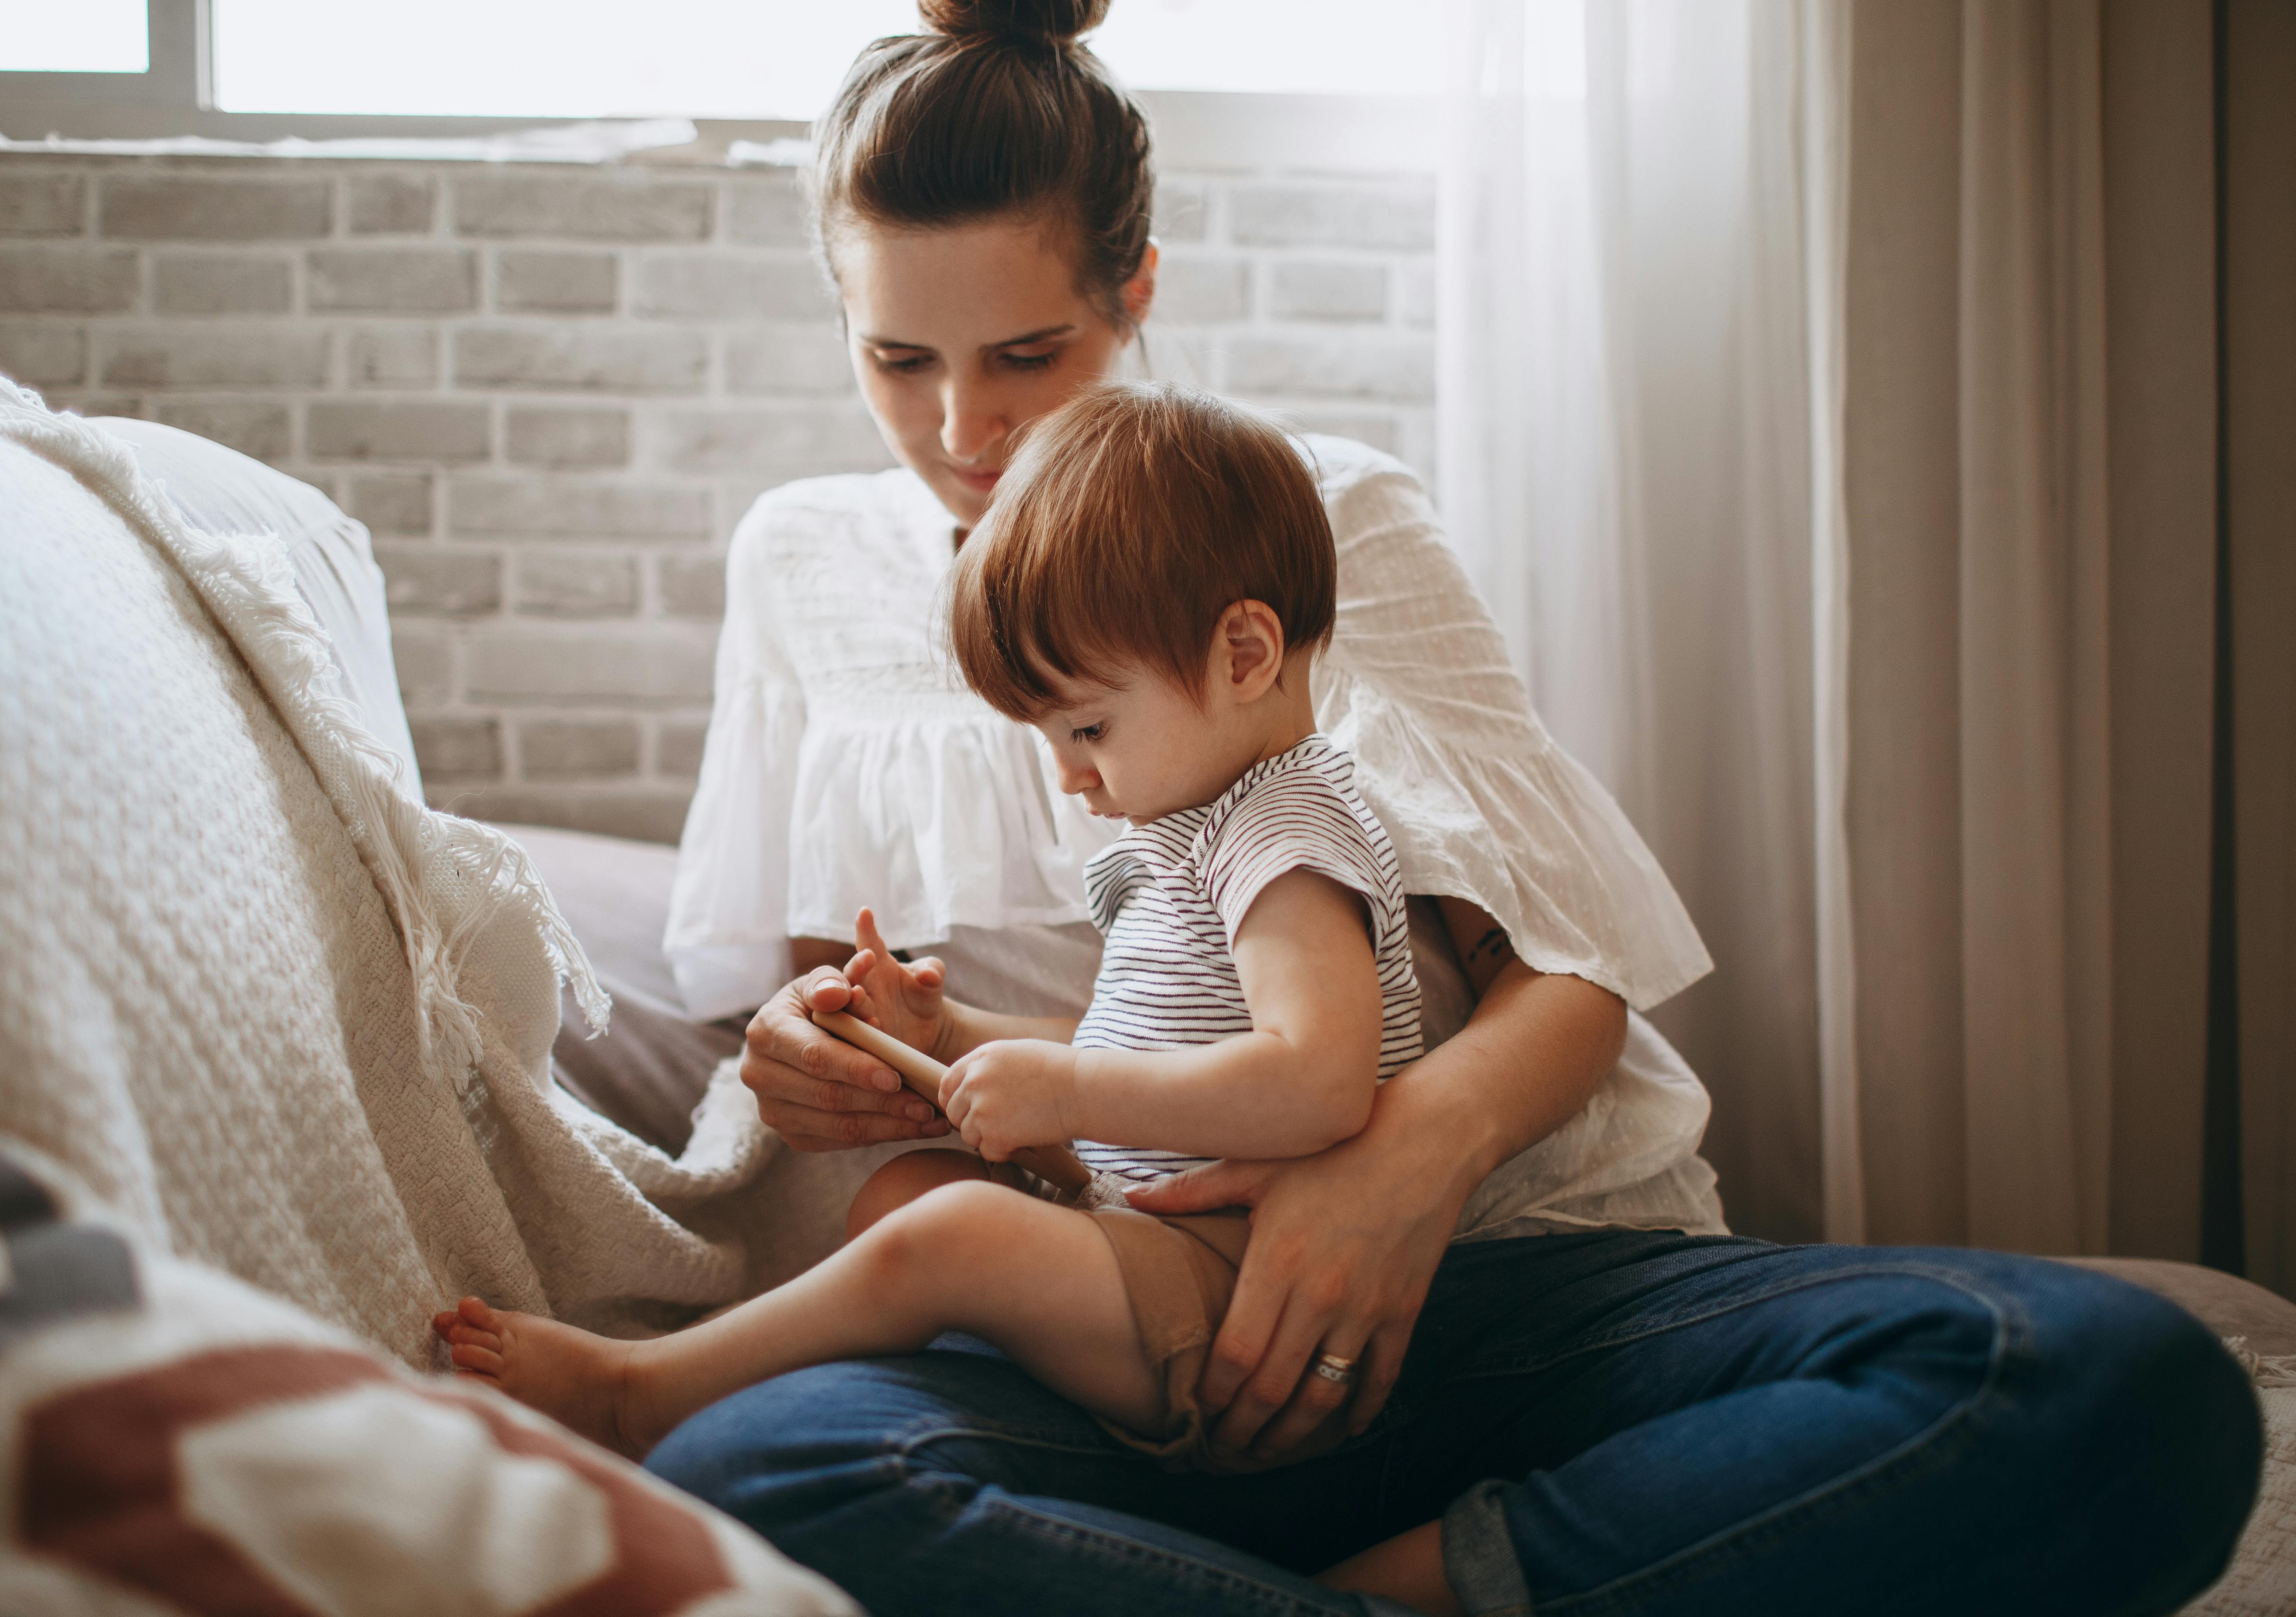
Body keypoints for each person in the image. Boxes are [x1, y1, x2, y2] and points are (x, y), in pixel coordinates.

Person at [647, 3, 2263, 1613]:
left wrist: (1389, 1164)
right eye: (898, 361)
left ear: (1135, 293)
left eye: (1026, 357)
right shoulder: (802, 563)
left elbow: (1580, 960)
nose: (964, 433)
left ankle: (1404, 1575)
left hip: (1490, 1292)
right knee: (749, 1473)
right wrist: (830, 1045)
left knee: (2113, 1380)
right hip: (1120, 1339)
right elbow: (812, 995)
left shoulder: (1312, 518)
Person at [440, 386, 1443, 1529]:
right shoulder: (1200, 824)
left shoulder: (1288, 837)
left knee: (951, 1239)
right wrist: (951, 1038)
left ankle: (640, 1393)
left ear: (1246, 652)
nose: (1071, 776)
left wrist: (1062, 1090)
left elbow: (1317, 1080)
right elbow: (1152, 1053)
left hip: (1243, 1297)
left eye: (1088, 730)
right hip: (1160, 1233)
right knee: (907, 1197)